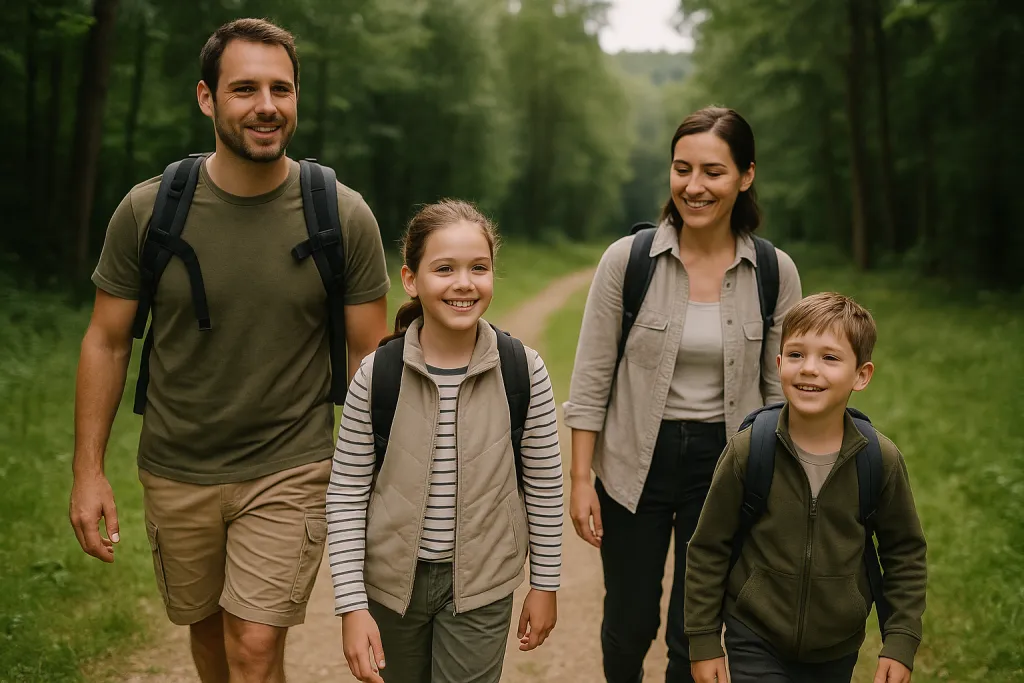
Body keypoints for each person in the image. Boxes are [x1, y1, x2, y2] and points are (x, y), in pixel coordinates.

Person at [68, 18, 390, 683]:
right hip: (177, 465)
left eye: (281, 89)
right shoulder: (149, 211)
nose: (267, 106)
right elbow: (105, 340)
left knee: (253, 644)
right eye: (245, 89)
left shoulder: (342, 215)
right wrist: (88, 470)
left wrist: (377, 476)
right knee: (210, 637)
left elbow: (369, 358)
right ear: (207, 98)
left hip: (290, 463)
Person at [563, 106, 802, 682]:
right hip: (631, 465)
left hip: (725, 468)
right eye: (682, 169)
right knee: (628, 621)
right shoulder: (627, 262)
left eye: (713, 172)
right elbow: (592, 375)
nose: (694, 187)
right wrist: (579, 479)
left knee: (695, 630)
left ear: (745, 176)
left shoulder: (774, 272)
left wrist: (780, 487)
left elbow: (781, 395)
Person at [327, 199, 563, 683]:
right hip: (392, 588)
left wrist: (546, 584)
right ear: (411, 279)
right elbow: (347, 493)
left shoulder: (523, 370)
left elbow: (543, 488)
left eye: (479, 268)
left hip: (481, 588)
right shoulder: (378, 374)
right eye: (444, 269)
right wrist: (351, 606)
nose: (464, 283)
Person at [684, 292, 927, 683]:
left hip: (837, 645)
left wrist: (899, 641)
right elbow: (708, 547)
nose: (809, 369)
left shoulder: (879, 460)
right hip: (755, 633)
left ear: (861, 375)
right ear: (779, 364)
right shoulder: (750, 450)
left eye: (829, 358)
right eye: (796, 355)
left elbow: (905, 555)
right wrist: (704, 640)